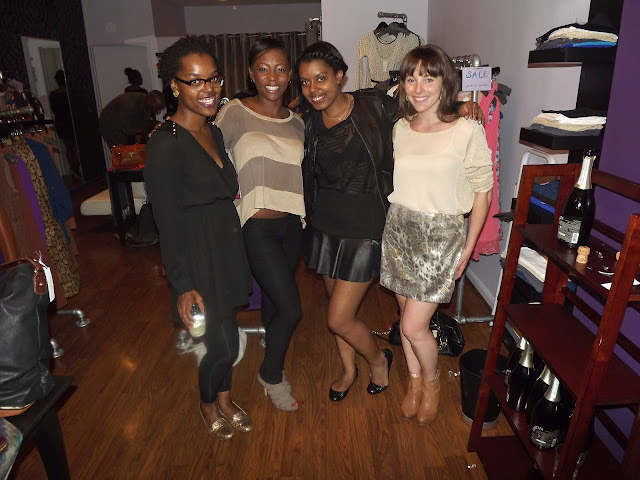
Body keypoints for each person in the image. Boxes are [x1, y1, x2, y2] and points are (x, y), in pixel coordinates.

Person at [144, 35, 253, 440]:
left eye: (213, 78)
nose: (208, 89)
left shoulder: (214, 131)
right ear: (175, 86)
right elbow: (166, 221)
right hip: (196, 255)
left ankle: (225, 398)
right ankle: (207, 403)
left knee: (229, 337)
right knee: (220, 347)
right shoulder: (164, 144)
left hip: (225, 247)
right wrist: (182, 285)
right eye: (195, 81)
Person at [379, 45, 493, 425]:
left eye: (428, 78)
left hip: (442, 236)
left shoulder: (467, 130)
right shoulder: (400, 129)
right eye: (411, 79)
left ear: (445, 81)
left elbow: (483, 192)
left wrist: (468, 246)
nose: (419, 88)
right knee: (404, 317)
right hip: (400, 229)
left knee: (413, 325)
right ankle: (413, 381)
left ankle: (432, 381)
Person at [215, 38, 305, 412]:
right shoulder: (234, 112)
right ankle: (271, 375)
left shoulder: (298, 122)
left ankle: (271, 339)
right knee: (291, 308)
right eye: (264, 69)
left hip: (293, 226)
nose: (272, 77)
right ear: (251, 74)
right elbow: (211, 159)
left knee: (274, 297)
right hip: (256, 225)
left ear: (290, 75)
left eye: (280, 69)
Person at [98, 91, 165, 148]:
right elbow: (127, 129)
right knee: (122, 152)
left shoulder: (146, 104)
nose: (159, 112)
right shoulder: (130, 104)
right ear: (150, 103)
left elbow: (139, 130)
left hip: (123, 124)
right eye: (157, 109)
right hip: (109, 123)